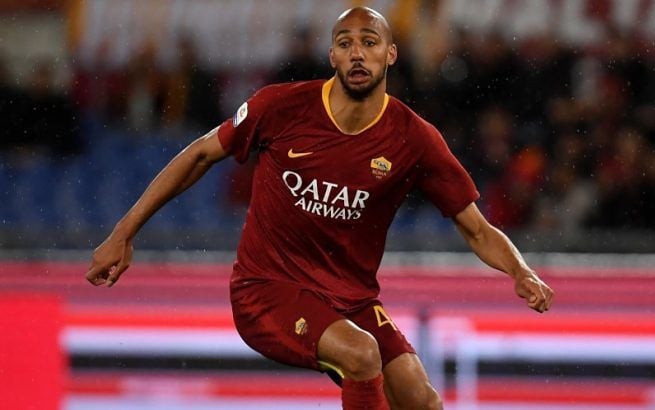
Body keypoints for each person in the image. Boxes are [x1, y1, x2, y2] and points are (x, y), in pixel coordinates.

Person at [86, 7, 554, 410]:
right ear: (332, 56)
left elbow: (476, 228)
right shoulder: (281, 106)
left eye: (369, 42)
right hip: (266, 292)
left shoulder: (414, 139)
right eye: (345, 43)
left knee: (420, 398)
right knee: (361, 353)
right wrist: (124, 232)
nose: (357, 53)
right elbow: (199, 155)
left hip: (352, 300)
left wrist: (520, 271)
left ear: (391, 54)